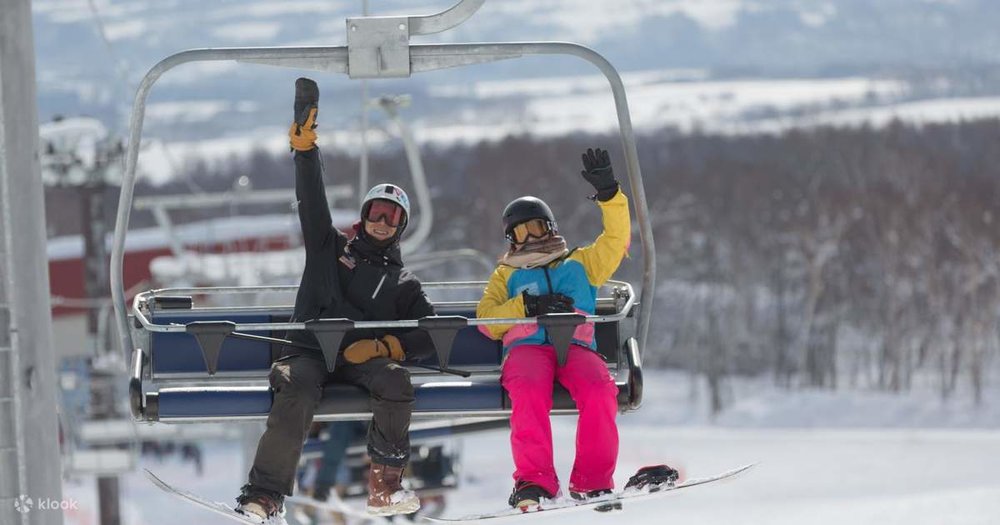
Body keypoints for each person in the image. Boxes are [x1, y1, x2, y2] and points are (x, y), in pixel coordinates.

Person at [236, 77, 435, 520]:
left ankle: (385, 487)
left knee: (395, 380)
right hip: (308, 352)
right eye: (376, 213)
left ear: (400, 226)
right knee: (297, 391)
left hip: (360, 362)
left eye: (392, 217)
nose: (382, 222)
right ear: (363, 217)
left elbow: (431, 335)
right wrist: (305, 150)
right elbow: (312, 200)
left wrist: (386, 348)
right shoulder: (328, 248)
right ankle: (265, 493)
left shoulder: (404, 283)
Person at [476, 148, 677, 508]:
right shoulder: (506, 275)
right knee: (528, 392)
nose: (529, 238)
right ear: (511, 240)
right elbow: (488, 322)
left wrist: (609, 195)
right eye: (520, 233)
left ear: (550, 228)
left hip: (577, 348)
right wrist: (526, 306)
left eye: (535, 228)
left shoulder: (580, 264)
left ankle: (592, 480)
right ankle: (534, 482)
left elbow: (616, 241)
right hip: (527, 350)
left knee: (600, 390)